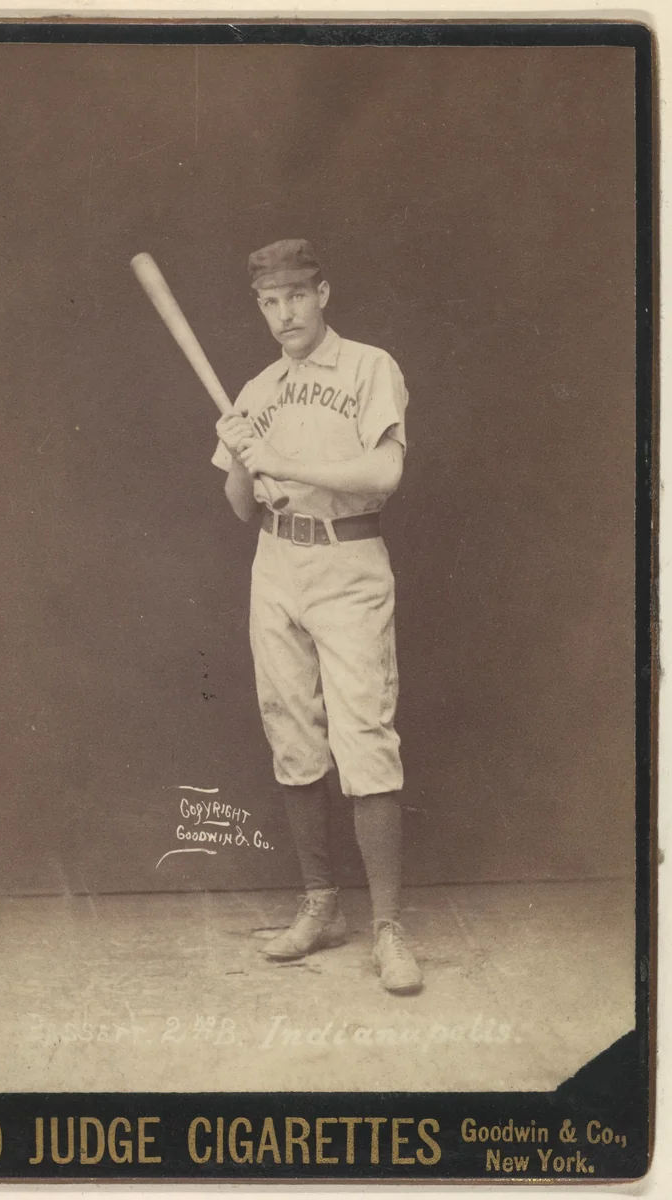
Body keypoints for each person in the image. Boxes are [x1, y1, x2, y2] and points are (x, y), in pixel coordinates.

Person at [212, 238, 422, 995]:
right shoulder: (257, 388)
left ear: (322, 292)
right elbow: (241, 507)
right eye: (268, 302)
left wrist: (284, 463)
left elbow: (385, 472)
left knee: (362, 731)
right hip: (276, 565)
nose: (282, 314)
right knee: (291, 731)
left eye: (295, 296)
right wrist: (240, 455)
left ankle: (389, 929)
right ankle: (322, 907)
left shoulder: (369, 366)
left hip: (348, 562)